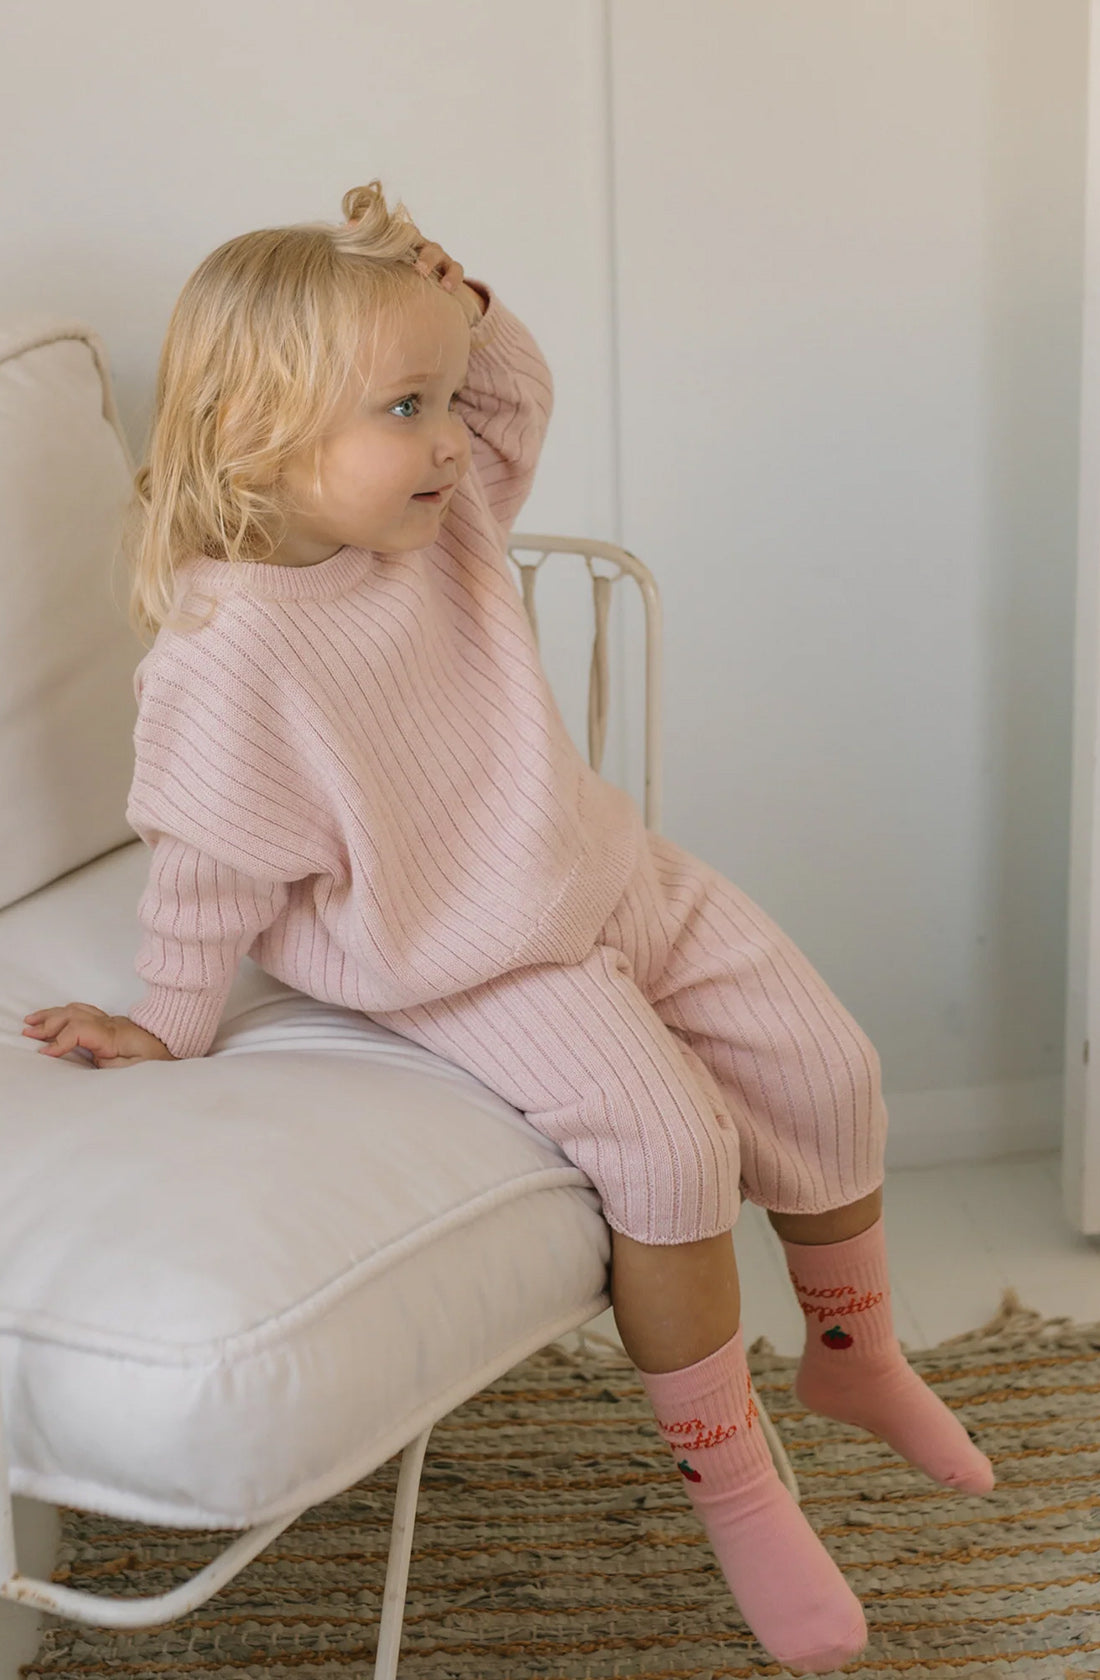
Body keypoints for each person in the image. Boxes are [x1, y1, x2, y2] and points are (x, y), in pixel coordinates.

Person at [22, 180, 994, 1674]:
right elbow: (210, 868)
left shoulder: (444, 513)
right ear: (253, 437)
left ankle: (854, 1350)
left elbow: (517, 391)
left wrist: (458, 308)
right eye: (404, 407)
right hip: (468, 955)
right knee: (674, 1151)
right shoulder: (229, 656)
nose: (450, 434)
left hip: (602, 866)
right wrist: (166, 1019)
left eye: (439, 401)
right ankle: (733, 1486)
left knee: (828, 1062)